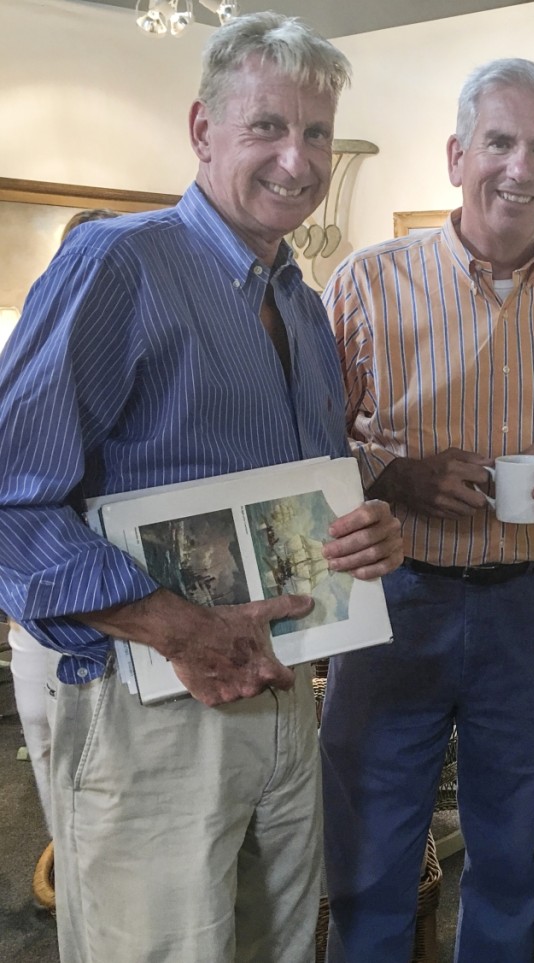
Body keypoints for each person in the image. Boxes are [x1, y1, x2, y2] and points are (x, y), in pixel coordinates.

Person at [0, 13, 403, 963]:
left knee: (279, 947)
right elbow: (11, 502)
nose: (297, 160)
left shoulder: (303, 304)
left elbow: (306, 493)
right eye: (268, 127)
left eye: (315, 133)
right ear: (202, 130)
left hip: (284, 691)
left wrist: (366, 530)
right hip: (155, 703)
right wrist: (179, 627)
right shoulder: (118, 265)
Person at [319, 57, 534, 963]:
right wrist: (392, 476)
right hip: (395, 603)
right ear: (456, 154)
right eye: (500, 141)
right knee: (372, 848)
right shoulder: (365, 285)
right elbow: (305, 446)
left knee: (514, 850)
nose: (520, 165)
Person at [6, 208, 120, 839]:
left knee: (96, 777)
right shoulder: (32, 357)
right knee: (52, 762)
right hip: (39, 614)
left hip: (110, 609)